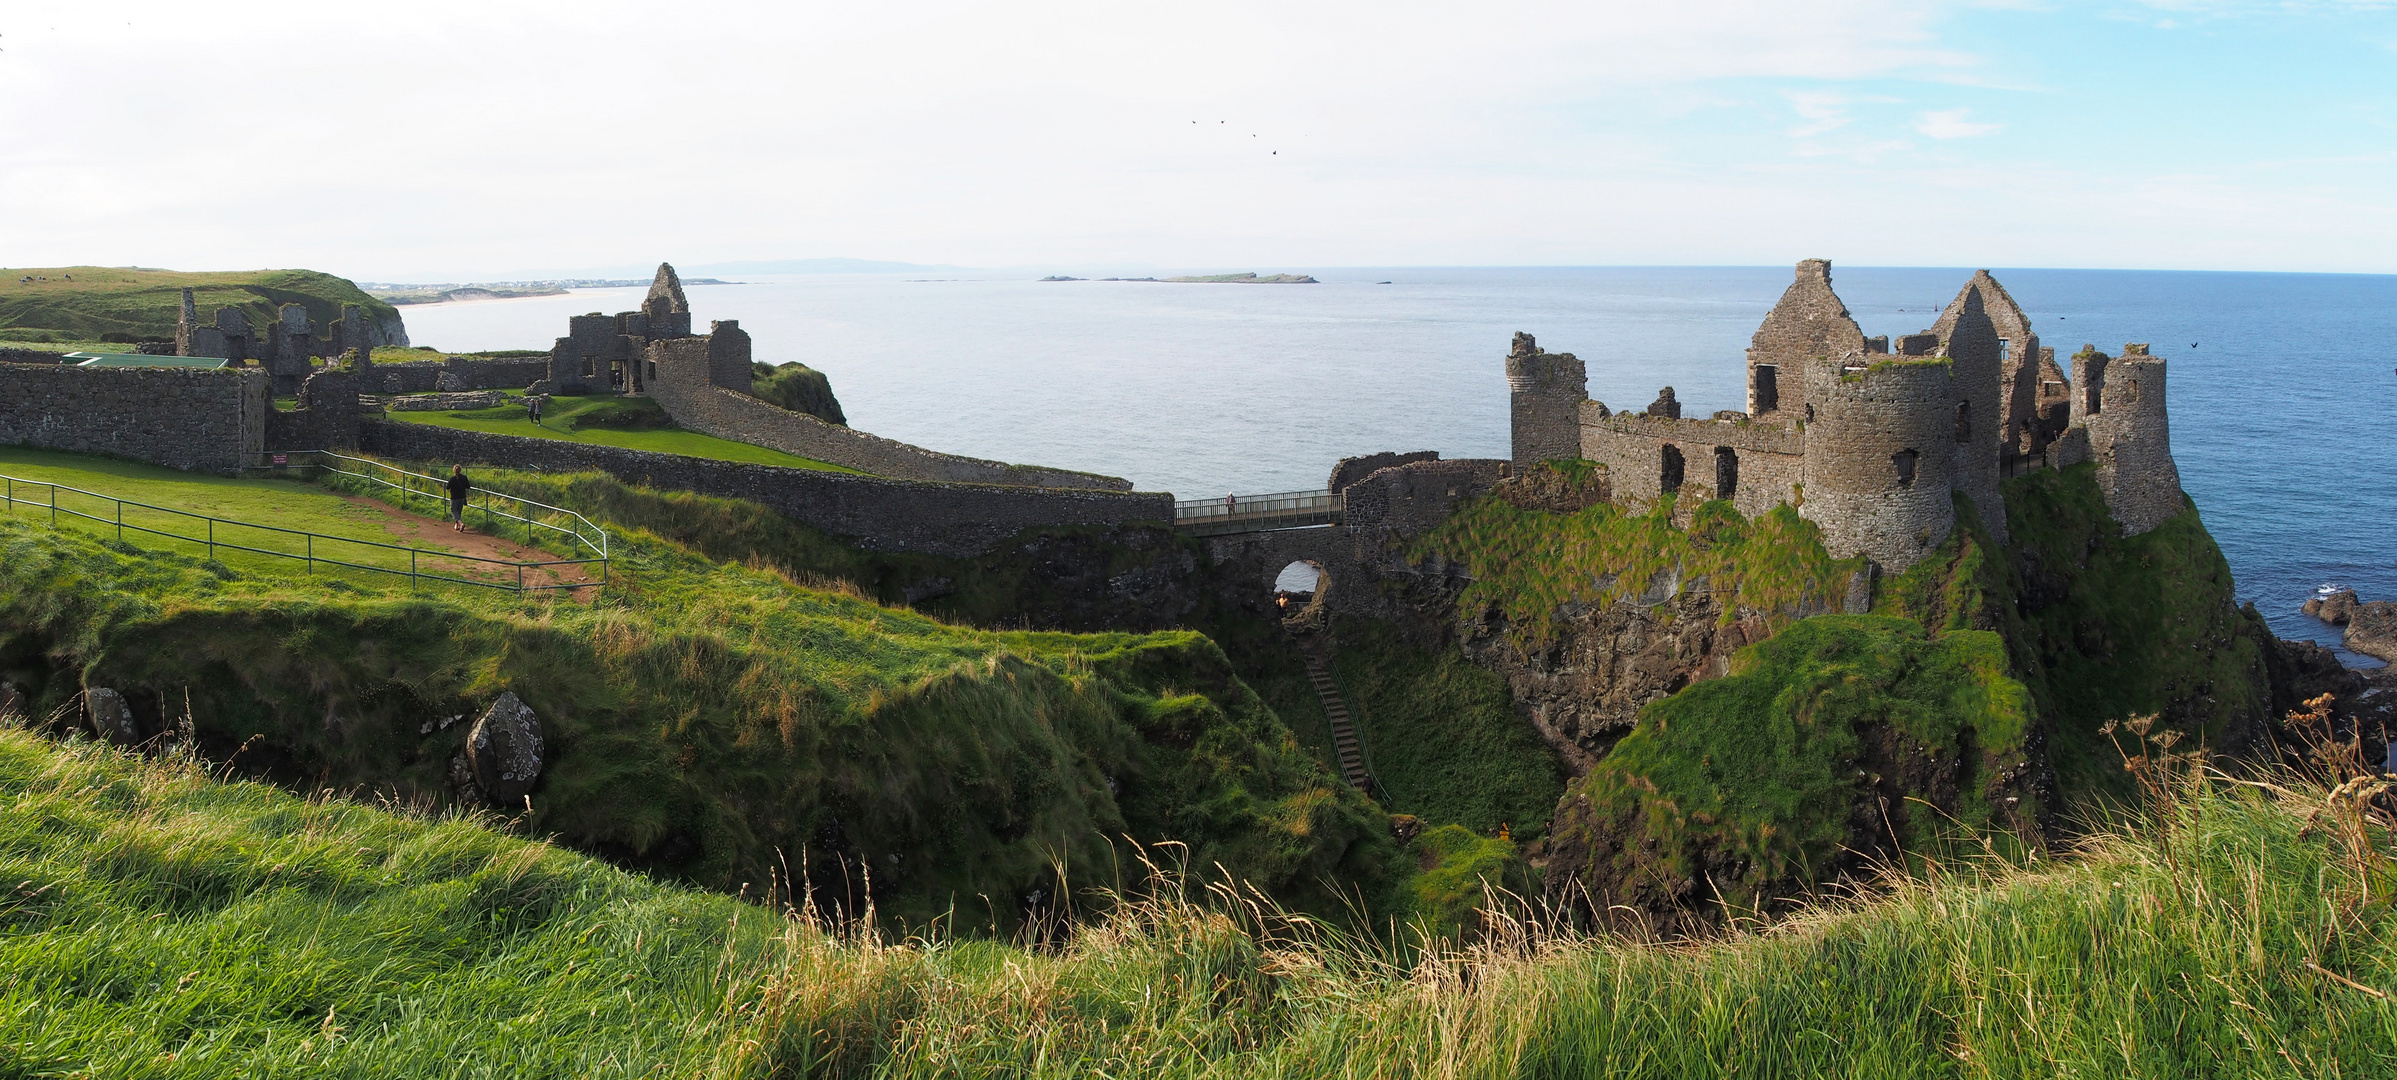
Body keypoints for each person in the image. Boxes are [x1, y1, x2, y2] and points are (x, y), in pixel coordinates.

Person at [447, 465, 472, 531]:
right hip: (462, 497)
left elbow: (447, 487)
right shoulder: (464, 477)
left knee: (453, 511)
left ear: (454, 470)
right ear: (460, 470)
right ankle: (457, 525)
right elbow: (468, 486)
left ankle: (460, 524)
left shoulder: (452, 478)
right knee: (459, 511)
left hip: (454, 497)